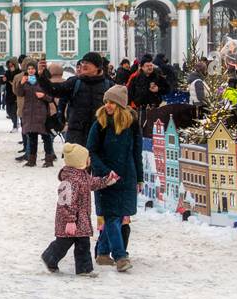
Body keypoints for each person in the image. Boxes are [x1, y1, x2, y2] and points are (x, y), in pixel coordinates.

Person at [86, 86, 143, 272]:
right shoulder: (100, 123)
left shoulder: (132, 124)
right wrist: (104, 171)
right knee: (111, 217)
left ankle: (103, 253)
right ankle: (120, 256)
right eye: (106, 102)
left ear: (120, 105)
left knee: (118, 217)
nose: (107, 106)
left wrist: (139, 178)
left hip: (127, 176)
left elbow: (136, 152)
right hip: (105, 178)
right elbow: (91, 151)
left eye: (111, 102)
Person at [41, 142, 118, 277]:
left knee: (83, 244)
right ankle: (49, 258)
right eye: (87, 157)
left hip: (80, 220)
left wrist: (107, 180)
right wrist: (70, 220)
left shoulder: (82, 175)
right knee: (63, 243)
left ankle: (84, 269)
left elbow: (92, 183)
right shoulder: (71, 180)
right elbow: (65, 203)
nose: (90, 159)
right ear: (80, 161)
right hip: (70, 220)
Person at [58, 51, 111, 146]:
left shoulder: (108, 85)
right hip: (76, 131)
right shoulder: (74, 82)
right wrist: (61, 117)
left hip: (98, 131)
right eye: (80, 65)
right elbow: (61, 99)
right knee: (76, 158)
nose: (80, 68)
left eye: (87, 64)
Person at [16, 59, 57, 167]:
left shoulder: (42, 81)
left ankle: (49, 160)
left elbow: (51, 98)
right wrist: (21, 83)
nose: (30, 71)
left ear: (36, 69)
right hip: (29, 113)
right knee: (32, 137)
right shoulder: (26, 81)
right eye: (29, 69)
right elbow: (19, 94)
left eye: (32, 68)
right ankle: (31, 160)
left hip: (42, 114)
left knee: (46, 137)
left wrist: (43, 96)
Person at [127, 55, 168, 125]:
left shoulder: (158, 77)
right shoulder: (136, 78)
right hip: (140, 109)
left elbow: (167, 89)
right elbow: (129, 93)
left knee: (153, 130)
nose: (150, 67)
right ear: (142, 67)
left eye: (151, 65)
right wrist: (130, 106)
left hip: (154, 108)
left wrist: (158, 89)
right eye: (147, 66)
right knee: (140, 130)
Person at [2, 59, 20, 131]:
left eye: (12, 65)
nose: (11, 67)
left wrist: (14, 83)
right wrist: (3, 80)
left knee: (14, 111)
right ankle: (15, 123)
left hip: (16, 95)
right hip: (9, 94)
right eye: (9, 66)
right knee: (9, 111)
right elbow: (2, 82)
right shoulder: (7, 72)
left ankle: (15, 126)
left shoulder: (19, 72)